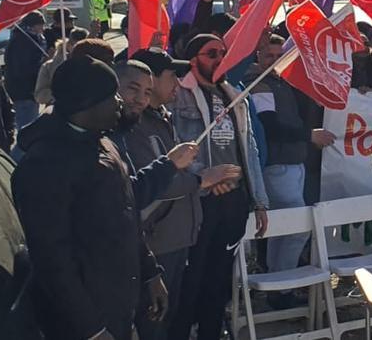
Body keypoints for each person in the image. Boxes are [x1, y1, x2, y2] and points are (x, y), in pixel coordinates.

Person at [13, 55, 198, 340]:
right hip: (81, 322)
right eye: (113, 95)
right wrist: (91, 329)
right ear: (86, 103)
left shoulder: (103, 142)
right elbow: (52, 260)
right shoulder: (44, 164)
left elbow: (126, 212)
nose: (120, 102)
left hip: (119, 305)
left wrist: (150, 274)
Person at [111, 57, 232, 340]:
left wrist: (203, 182)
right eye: (134, 89)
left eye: (145, 90)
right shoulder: (132, 128)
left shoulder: (162, 118)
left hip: (179, 237)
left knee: (171, 318)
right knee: (152, 323)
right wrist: (202, 180)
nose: (141, 97)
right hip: (156, 240)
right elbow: (149, 183)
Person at [169, 34, 269, 340]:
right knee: (191, 278)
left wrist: (260, 201)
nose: (218, 58)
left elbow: (248, 149)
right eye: (211, 53)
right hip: (200, 200)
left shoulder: (234, 93)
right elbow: (174, 146)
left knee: (220, 278)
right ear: (193, 58)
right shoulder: (179, 94)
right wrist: (206, 180)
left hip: (234, 202)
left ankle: (211, 332)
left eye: (223, 53)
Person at [246, 37, 335, 282]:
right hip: (278, 165)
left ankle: (277, 282)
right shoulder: (260, 85)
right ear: (258, 57)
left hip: (294, 163)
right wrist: (309, 135)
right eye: (269, 56)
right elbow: (269, 126)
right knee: (299, 227)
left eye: (278, 56)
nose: (274, 60)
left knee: (282, 229)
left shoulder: (280, 82)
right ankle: (284, 285)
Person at [6, 11, 48, 129]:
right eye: (41, 25)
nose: (43, 28)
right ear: (33, 25)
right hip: (24, 91)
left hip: (28, 90)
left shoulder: (31, 39)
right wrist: (43, 63)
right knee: (27, 129)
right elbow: (23, 68)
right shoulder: (23, 41)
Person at [35, 28, 91, 105]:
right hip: (59, 110)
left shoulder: (92, 64)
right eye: (74, 45)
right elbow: (40, 95)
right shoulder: (49, 66)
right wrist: (60, 94)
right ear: (68, 44)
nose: (78, 49)